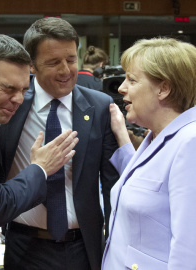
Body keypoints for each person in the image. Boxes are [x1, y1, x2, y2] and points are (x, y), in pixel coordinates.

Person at [0, 17, 119, 270]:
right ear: (33, 66)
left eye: (71, 59)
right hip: (24, 246)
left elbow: (112, 185)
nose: (65, 70)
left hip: (83, 247)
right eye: (53, 62)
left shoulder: (100, 106)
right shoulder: (9, 103)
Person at [102, 37, 196, 270]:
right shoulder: (157, 137)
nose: (122, 87)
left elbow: (188, 250)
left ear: (163, 88)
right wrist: (123, 137)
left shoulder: (190, 143)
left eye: (132, 80)